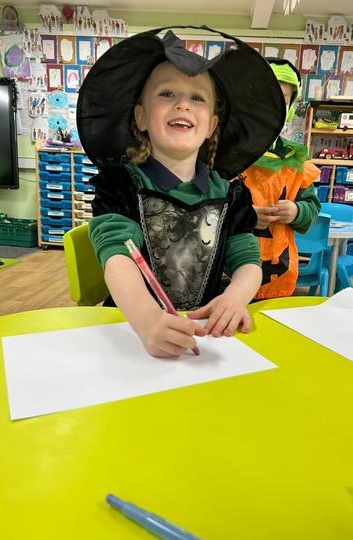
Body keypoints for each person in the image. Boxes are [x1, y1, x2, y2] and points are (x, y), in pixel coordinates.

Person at [76, 26, 286, 358]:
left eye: (197, 97)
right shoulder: (121, 186)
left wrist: (235, 298)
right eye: (167, 93)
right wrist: (147, 319)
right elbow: (117, 258)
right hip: (132, 332)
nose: (183, 105)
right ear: (141, 117)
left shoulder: (230, 194)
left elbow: (248, 262)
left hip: (204, 335)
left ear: (212, 126)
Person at [243, 57, 321, 300]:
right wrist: (244, 216)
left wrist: (297, 211)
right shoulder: (227, 155)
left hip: (278, 269)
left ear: (290, 110)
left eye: (283, 101)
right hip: (229, 272)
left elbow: (312, 207)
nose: (273, 107)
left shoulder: (295, 159)